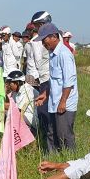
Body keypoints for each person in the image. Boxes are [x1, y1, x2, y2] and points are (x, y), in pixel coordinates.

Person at [35, 22, 78, 152]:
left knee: (64, 136)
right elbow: (54, 80)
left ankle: (70, 162)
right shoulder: (52, 53)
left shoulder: (64, 54)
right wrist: (45, 94)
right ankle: (52, 159)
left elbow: (69, 82)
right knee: (51, 133)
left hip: (64, 103)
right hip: (54, 102)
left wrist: (63, 101)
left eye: (44, 39)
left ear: (54, 36)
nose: (43, 43)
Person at [28, 11, 53, 142]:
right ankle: (44, 137)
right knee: (43, 109)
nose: (36, 29)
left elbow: (38, 60)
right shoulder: (44, 38)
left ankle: (46, 137)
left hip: (47, 78)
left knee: (45, 111)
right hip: (43, 77)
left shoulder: (46, 39)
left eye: (37, 25)